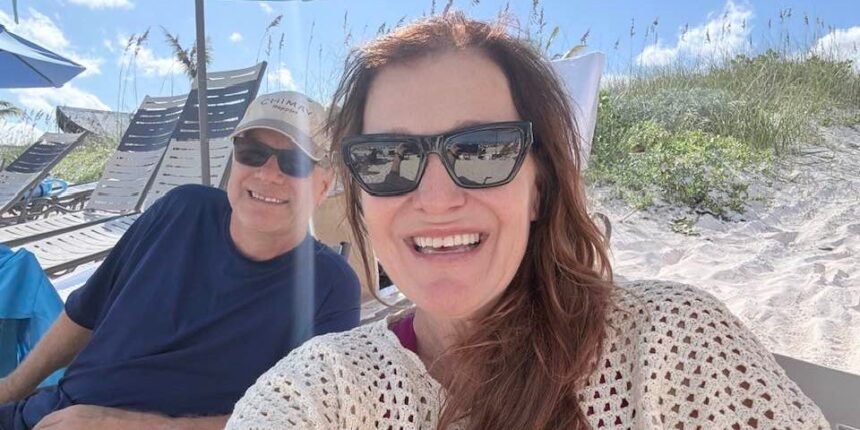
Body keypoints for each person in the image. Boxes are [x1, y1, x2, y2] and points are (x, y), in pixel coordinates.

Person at [226, 14, 829, 430]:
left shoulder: (671, 345)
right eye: (387, 157)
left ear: (538, 188)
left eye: (482, 151)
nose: (435, 197)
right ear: (360, 197)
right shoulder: (322, 388)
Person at [0, 91, 361, 430]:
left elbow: (302, 419)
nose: (267, 174)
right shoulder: (181, 210)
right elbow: (84, 314)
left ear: (323, 187)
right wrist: (11, 388)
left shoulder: (328, 287)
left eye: (294, 162)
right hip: (46, 414)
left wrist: (130, 425)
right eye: (252, 152)